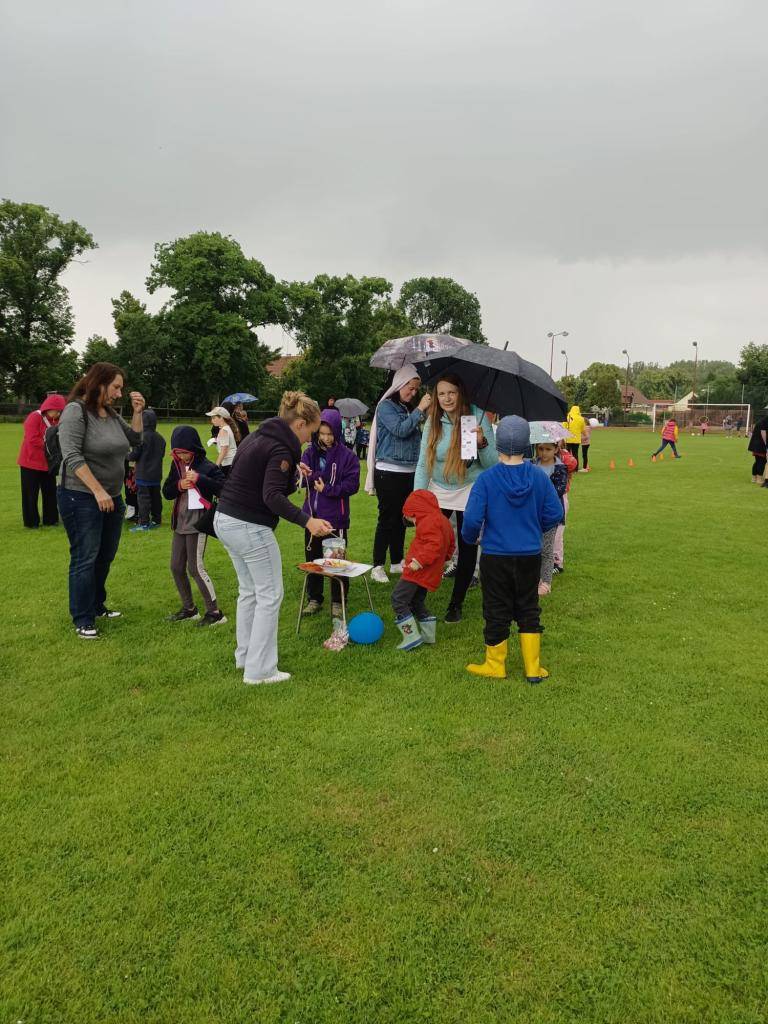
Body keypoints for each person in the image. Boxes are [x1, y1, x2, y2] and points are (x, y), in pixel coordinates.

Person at [215, 391, 333, 686]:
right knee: (270, 595)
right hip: (248, 525)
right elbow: (271, 496)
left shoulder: (259, 436)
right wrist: (308, 521)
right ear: (299, 424)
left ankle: (245, 657)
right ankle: (261, 670)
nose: (309, 440)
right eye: (310, 432)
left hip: (225, 519)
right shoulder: (281, 448)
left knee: (250, 592)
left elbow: (262, 481)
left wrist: (293, 473)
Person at [461, 416, 563, 683]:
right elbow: (555, 512)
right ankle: (533, 668)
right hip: (530, 555)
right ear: (528, 444)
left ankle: (495, 664)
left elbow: (471, 519)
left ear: (497, 445)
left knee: (496, 607)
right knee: (529, 606)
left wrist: (471, 538)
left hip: (495, 556)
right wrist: (534, 529)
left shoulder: (487, 479)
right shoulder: (539, 477)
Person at [57, 363, 145, 639]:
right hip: (80, 496)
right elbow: (72, 456)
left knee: (105, 555)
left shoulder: (110, 413)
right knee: (85, 556)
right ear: (99, 382)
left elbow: (135, 439)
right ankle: (82, 618)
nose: (119, 394)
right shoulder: (76, 411)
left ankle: (96, 605)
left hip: (111, 496)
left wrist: (138, 412)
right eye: (116, 387)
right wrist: (98, 491)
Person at [413, 373, 498, 622]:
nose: (447, 398)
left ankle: (456, 604)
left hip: (469, 488)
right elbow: (423, 463)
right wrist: (418, 499)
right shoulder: (433, 420)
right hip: (439, 488)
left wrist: (482, 443)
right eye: (441, 393)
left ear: (460, 393)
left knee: (467, 543)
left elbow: (492, 465)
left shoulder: (476, 416)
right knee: (431, 543)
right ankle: (417, 599)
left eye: (452, 392)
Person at [366, 364, 431, 583]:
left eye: (416, 389)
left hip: (409, 471)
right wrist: (419, 409)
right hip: (389, 471)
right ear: (400, 384)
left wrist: (422, 411)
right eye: (410, 388)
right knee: (387, 518)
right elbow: (400, 430)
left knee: (402, 518)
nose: (413, 393)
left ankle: (396, 561)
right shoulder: (386, 406)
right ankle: (377, 565)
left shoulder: (408, 408)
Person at [299, 408, 360, 618]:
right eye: (322, 433)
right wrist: (308, 475)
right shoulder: (309, 452)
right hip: (312, 518)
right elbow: (302, 479)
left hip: (336, 519)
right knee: (313, 560)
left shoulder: (348, 456)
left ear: (337, 432)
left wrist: (328, 489)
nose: (325, 438)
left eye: (330, 434)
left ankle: (338, 600)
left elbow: (352, 485)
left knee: (337, 562)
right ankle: (314, 598)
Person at [162, 426, 227, 626]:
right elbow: (167, 491)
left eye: (185, 453)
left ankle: (215, 613)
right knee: (176, 566)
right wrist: (179, 485)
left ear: (194, 449)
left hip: (198, 523)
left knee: (195, 568)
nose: (182, 457)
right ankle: (189, 609)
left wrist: (200, 479)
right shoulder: (176, 466)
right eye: (178, 453)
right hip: (180, 523)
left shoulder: (208, 467)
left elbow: (224, 488)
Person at [391, 489, 455, 651]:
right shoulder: (443, 520)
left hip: (417, 571)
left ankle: (411, 637)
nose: (412, 522)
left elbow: (434, 545)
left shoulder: (428, 521)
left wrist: (418, 562)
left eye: (411, 517)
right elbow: (449, 544)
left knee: (398, 599)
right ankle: (428, 635)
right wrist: (444, 559)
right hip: (430, 571)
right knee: (416, 601)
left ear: (415, 512)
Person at [17, 393, 66, 528]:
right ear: (49, 408)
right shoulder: (34, 417)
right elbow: (32, 438)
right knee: (30, 494)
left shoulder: (58, 421)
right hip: (30, 462)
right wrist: (51, 446)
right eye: (57, 410)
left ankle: (51, 520)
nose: (59, 413)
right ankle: (31, 522)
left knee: (50, 492)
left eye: (61, 411)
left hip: (48, 463)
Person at [532, 442, 569, 595]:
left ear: (556, 449)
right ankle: (533, 578)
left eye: (548, 449)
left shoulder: (560, 468)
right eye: (541, 449)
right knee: (533, 548)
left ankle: (546, 582)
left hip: (550, 515)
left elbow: (558, 490)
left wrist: (540, 490)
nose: (544, 452)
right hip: (532, 513)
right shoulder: (532, 465)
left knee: (547, 550)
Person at [128, 409, 166, 532]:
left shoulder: (140, 438)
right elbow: (162, 454)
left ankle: (144, 523)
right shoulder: (161, 438)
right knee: (156, 498)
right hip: (156, 474)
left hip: (143, 474)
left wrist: (126, 456)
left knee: (143, 499)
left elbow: (134, 455)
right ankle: (156, 520)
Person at [553, 443, 578, 574]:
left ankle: (557, 563)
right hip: (544, 499)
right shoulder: (540, 459)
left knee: (558, 532)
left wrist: (558, 457)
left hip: (560, 498)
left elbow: (573, 464)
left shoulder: (564, 455)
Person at [206, 406, 240, 475]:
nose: (212, 421)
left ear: (221, 417)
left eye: (214, 418)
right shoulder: (226, 428)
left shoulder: (223, 430)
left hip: (228, 463)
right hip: (231, 462)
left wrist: (216, 466)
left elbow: (224, 450)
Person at [747, 413, 768, 483]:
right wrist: (766, 445)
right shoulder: (764, 422)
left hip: (756, 445)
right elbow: (763, 433)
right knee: (762, 461)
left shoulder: (761, 421)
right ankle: (759, 478)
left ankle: (754, 478)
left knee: (758, 461)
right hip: (760, 445)